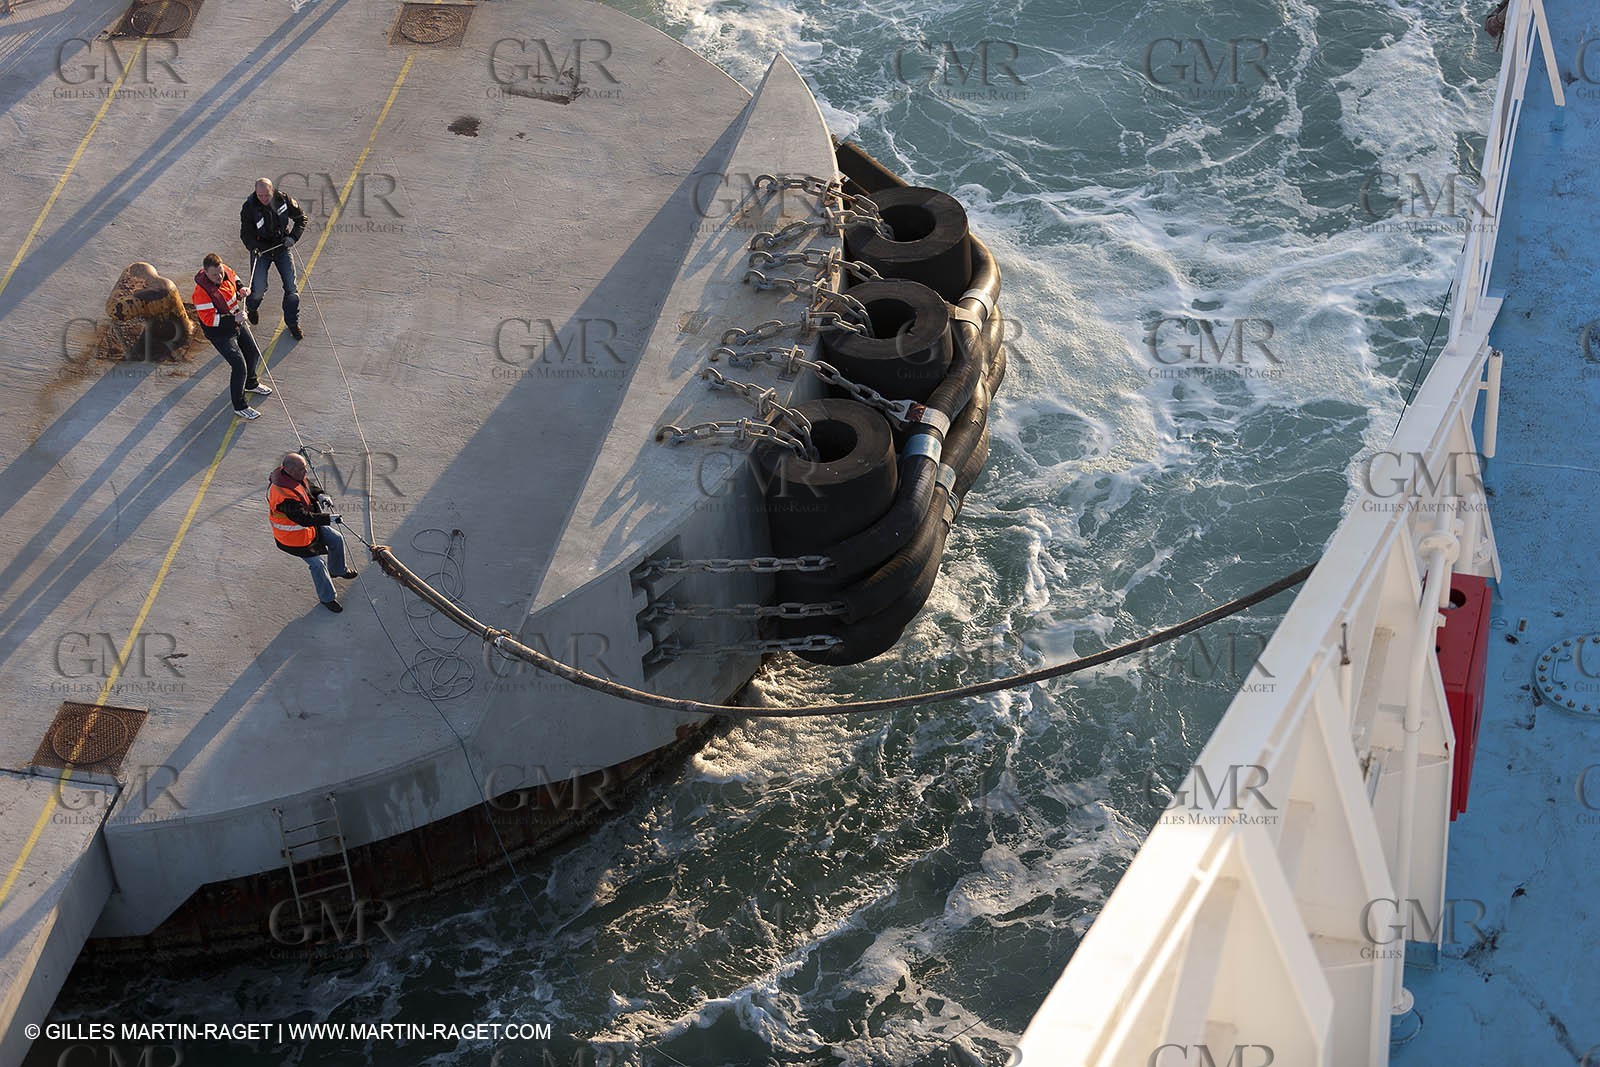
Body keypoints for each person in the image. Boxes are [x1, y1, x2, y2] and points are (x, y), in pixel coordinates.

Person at [268, 452, 359, 613]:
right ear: (289, 470)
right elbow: (303, 518)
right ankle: (327, 598)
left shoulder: (291, 477)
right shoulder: (283, 495)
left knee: (336, 539)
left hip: (309, 530)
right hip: (294, 539)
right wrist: (329, 519)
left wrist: (320, 494)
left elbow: (307, 485)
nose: (306, 472)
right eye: (302, 470)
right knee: (317, 565)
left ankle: (337, 570)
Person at [191, 253, 272, 419]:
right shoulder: (201, 293)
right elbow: (209, 320)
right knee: (238, 366)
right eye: (215, 275)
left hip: (236, 320)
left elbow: (233, 277)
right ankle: (239, 405)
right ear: (205, 273)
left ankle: (251, 383)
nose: (220, 276)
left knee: (252, 351)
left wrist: (241, 287)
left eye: (220, 272)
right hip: (220, 333)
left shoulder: (223, 270)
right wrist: (234, 318)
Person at [239, 177, 307, 339]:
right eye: (260, 195)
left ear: (272, 191)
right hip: (261, 251)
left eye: (266, 195)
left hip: (282, 248)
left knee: (291, 288)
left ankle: (292, 323)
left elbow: (301, 218)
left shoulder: (284, 200)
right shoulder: (249, 207)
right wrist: (254, 247)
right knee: (258, 289)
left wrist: (293, 237)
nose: (263, 199)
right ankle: (252, 308)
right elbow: (245, 233)